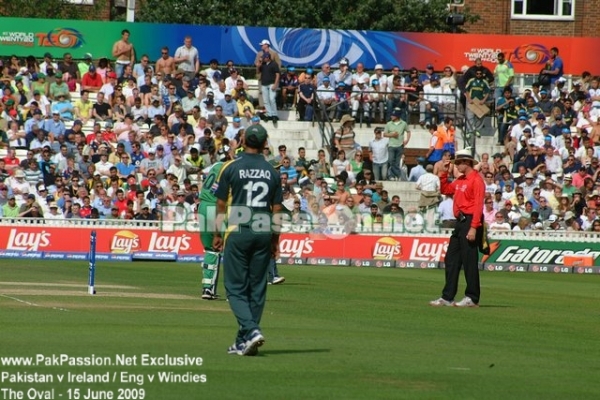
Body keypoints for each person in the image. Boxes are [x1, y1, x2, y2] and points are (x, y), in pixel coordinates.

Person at [213, 124, 283, 356]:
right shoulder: (273, 171)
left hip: (238, 229)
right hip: (263, 231)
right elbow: (276, 210)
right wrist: (275, 240)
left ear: (242, 141)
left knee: (234, 288)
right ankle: (243, 341)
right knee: (257, 288)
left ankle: (252, 330)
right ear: (265, 144)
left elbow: (220, 204)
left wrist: (216, 233)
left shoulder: (231, 167)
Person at [430, 149, 485, 308]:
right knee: (451, 259)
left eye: (459, 162)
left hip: (469, 221)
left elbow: (478, 206)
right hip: (460, 222)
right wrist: (443, 174)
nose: (456, 165)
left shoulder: (476, 180)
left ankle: (472, 297)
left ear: (467, 163)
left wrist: (474, 227)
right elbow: (445, 190)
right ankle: (447, 297)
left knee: (469, 261)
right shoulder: (461, 180)